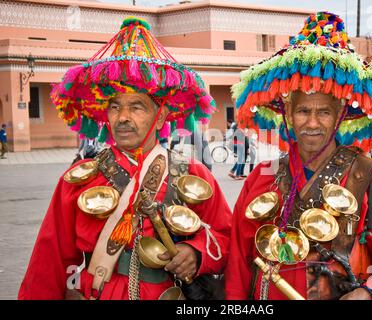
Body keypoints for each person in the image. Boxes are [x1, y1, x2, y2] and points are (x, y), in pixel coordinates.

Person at [19, 17, 231, 300]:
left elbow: (226, 235)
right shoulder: (81, 178)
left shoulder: (193, 173)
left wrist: (196, 251)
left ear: (160, 118)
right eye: (115, 107)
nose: (123, 118)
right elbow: (49, 260)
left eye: (137, 107)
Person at [225, 12, 372, 300]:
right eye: (303, 111)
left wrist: (370, 294)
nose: (312, 123)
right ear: (287, 114)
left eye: (323, 112)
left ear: (340, 116)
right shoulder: (261, 178)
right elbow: (237, 267)